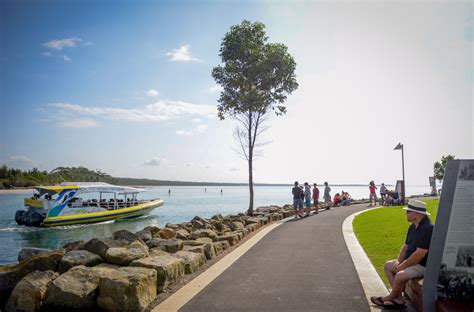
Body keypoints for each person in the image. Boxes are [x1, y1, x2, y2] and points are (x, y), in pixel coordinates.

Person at [370, 200, 434, 309]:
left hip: (422, 265)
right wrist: (399, 261)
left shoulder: (428, 228)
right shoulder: (413, 226)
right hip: (410, 262)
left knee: (400, 275)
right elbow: (405, 247)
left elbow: (419, 255)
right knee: (388, 265)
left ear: (416, 214)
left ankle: (388, 298)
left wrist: (402, 266)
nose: (406, 214)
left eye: (408, 211)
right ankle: (399, 299)